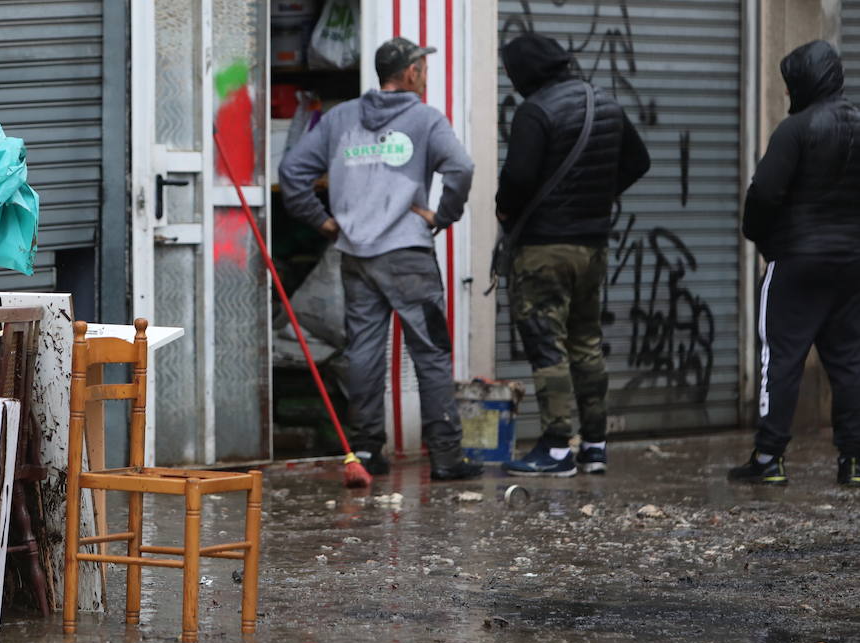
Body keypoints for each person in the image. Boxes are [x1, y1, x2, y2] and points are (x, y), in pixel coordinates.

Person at [279, 37, 482, 480]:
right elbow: (461, 168)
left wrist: (326, 222)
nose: (425, 75)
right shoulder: (425, 119)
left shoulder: (341, 118)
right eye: (422, 68)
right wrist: (443, 216)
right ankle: (447, 457)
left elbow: (293, 172)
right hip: (408, 257)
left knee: (365, 353)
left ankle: (368, 452)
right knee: (429, 352)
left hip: (356, 255)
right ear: (410, 73)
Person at [497, 32, 650, 478]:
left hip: (545, 248)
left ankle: (556, 445)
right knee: (585, 342)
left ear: (527, 71)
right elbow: (638, 162)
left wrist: (507, 208)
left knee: (548, 345)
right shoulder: (604, 103)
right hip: (593, 246)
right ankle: (595, 445)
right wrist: (593, 199)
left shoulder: (536, 111)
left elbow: (518, 179)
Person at [730, 40, 860, 486]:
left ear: (804, 82)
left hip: (798, 262)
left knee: (781, 357)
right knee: (848, 361)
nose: (788, 95)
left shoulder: (796, 129)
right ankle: (854, 461)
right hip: (851, 265)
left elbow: (764, 192)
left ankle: (769, 458)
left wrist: (760, 236)